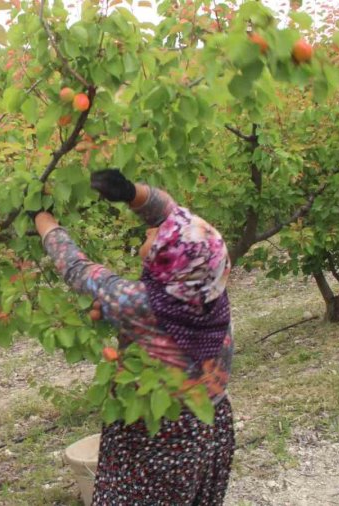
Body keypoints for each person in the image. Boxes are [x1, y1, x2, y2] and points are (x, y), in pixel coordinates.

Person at [31, 169, 235, 505]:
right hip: (209, 424)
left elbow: (77, 269)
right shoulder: (205, 282)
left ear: (165, 265)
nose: (154, 227)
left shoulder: (140, 305)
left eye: (158, 236)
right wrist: (131, 193)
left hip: (161, 435)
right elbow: (170, 212)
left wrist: (43, 221)